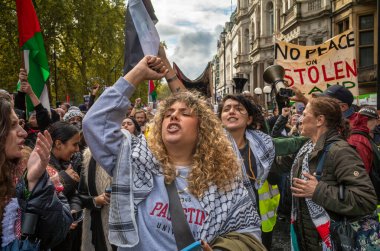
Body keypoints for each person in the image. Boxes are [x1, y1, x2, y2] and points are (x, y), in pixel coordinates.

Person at [83, 55, 264, 250]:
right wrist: (137, 74)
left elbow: (248, 236)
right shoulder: (137, 162)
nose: (174, 116)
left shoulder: (224, 180)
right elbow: (95, 124)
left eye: (184, 113)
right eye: (167, 114)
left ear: (203, 128)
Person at [275, 97, 377, 250]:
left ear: (319, 120)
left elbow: (365, 199)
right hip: (308, 239)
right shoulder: (306, 148)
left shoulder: (340, 151)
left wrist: (318, 191)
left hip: (333, 242)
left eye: (305, 114)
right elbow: (275, 163)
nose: (300, 119)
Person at [0, 91, 72, 250]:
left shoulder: (27, 165)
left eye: (19, 123)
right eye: (12, 125)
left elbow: (57, 232)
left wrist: (34, 183)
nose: (23, 133)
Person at [47, 121, 82, 251]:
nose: (77, 149)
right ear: (58, 144)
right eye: (74, 144)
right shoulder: (40, 164)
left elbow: (75, 194)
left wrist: (73, 210)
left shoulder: (66, 164)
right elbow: (43, 198)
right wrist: (65, 178)